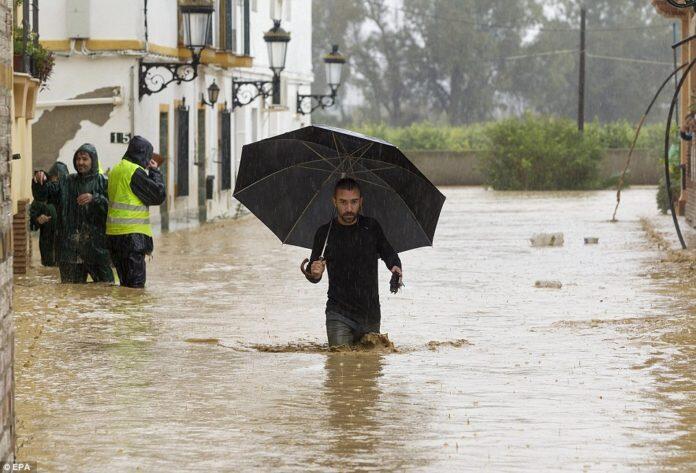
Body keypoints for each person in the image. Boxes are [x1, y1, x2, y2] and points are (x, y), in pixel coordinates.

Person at [304, 177, 402, 347]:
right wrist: (314, 273)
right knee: (340, 366)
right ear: (334, 201)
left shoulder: (371, 227)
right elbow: (313, 274)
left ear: (361, 201)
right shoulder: (325, 233)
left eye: (354, 202)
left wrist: (396, 267)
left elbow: (389, 253)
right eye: (343, 202)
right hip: (338, 313)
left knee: (369, 370)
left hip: (370, 315)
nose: (349, 208)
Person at [32, 144, 114, 283]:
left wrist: (95, 198)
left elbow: (112, 208)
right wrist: (40, 179)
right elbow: (43, 195)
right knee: (71, 293)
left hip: (97, 249)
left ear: (93, 160)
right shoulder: (66, 182)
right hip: (70, 250)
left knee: (106, 289)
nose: (80, 162)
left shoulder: (103, 182)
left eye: (84, 159)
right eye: (77, 159)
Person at [106, 136, 165, 288]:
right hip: (132, 238)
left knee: (125, 286)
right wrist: (155, 172)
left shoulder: (116, 169)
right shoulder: (134, 172)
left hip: (114, 236)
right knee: (136, 289)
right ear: (143, 155)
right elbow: (158, 195)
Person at [29, 161, 68, 266]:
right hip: (48, 256)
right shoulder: (41, 200)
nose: (57, 184)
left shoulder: (70, 198)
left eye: (60, 180)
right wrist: (38, 220)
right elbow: (30, 225)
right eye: (55, 179)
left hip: (66, 256)